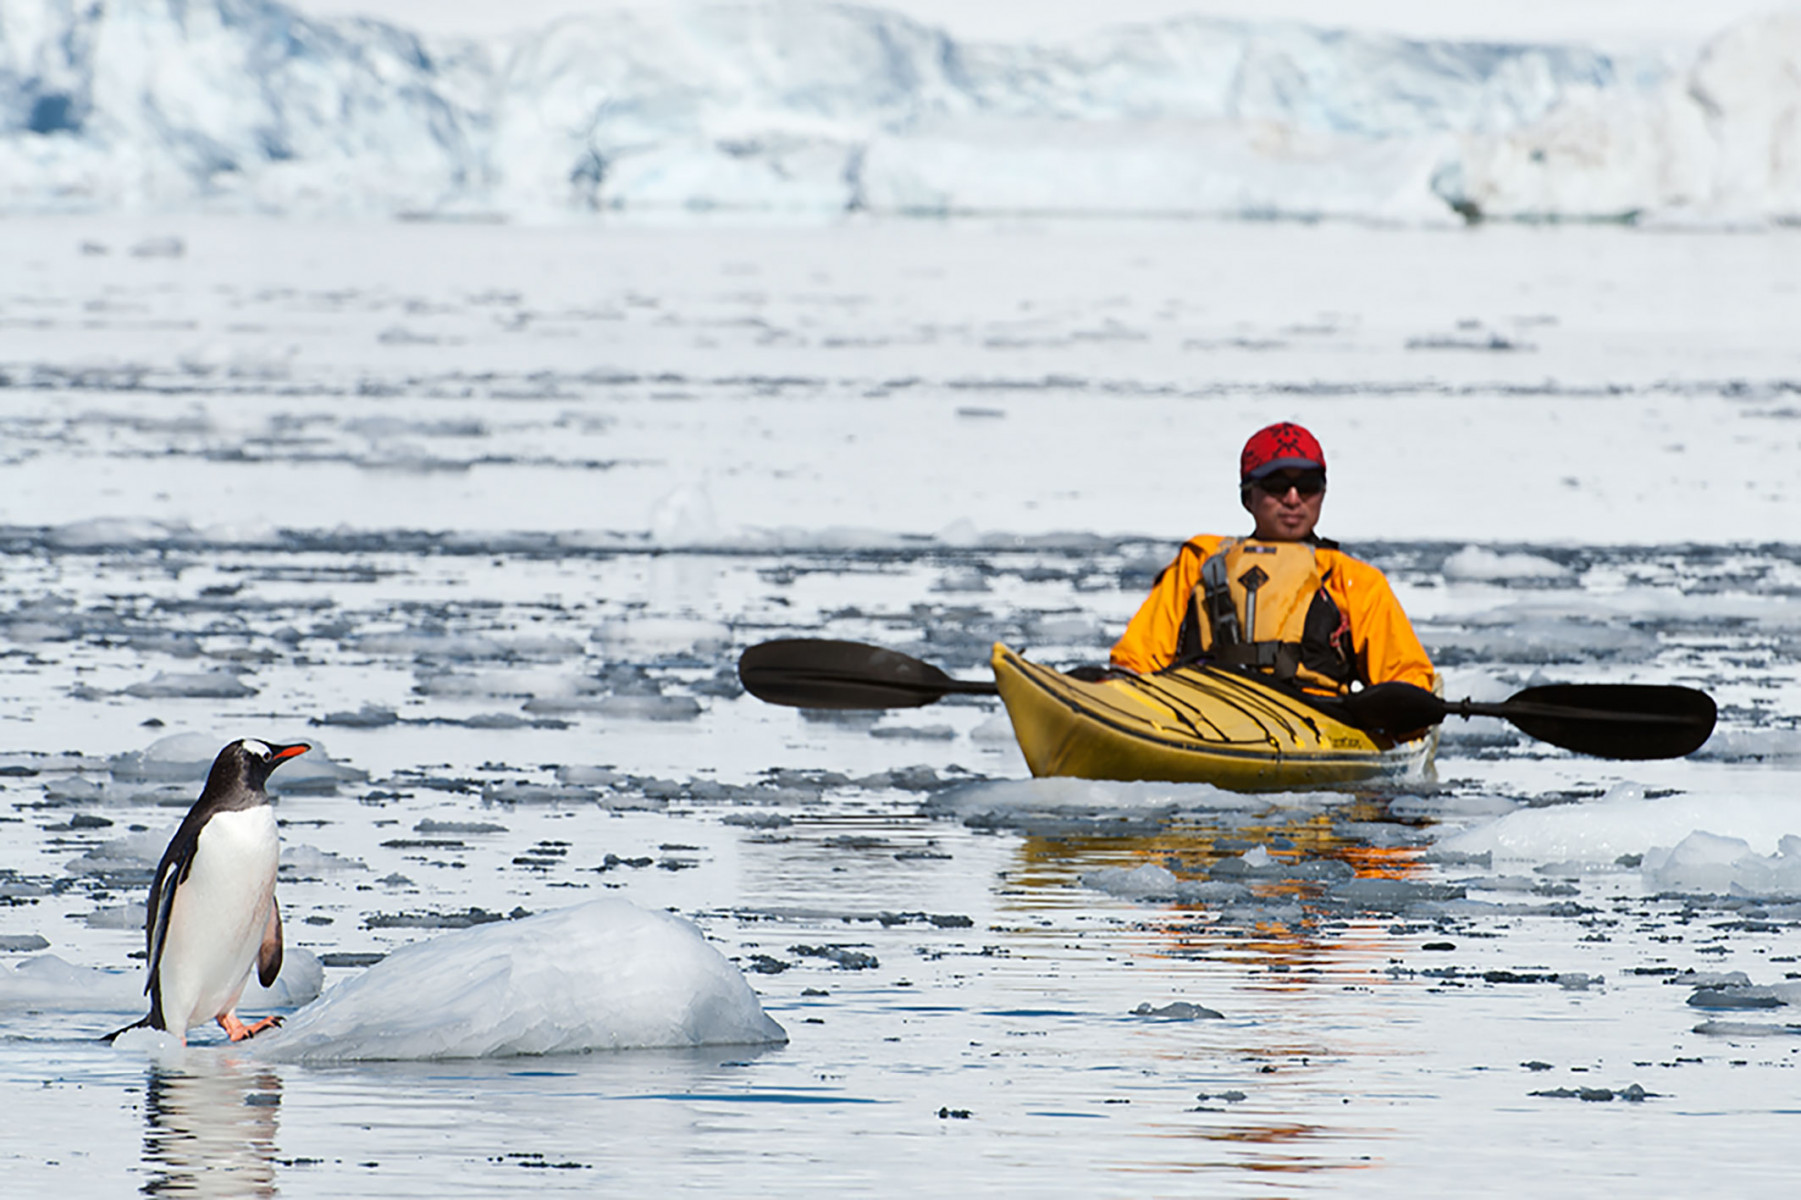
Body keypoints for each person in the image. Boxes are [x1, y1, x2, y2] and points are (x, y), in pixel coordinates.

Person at [1109, 422, 1435, 697]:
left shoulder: (1352, 580)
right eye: (1277, 486)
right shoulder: (1198, 563)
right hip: (1203, 708)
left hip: (1315, 718)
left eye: (1307, 486)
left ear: (1322, 493)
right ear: (1248, 497)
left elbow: (1405, 676)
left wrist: (1403, 707)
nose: (1293, 499)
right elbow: (1136, 661)